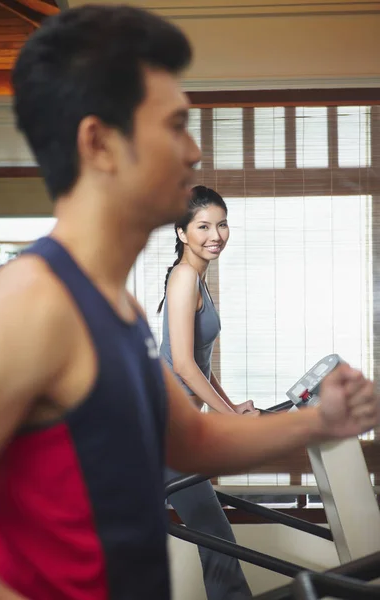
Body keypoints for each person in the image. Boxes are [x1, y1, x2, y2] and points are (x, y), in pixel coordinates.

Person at [0, 5, 378, 600]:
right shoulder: (29, 303)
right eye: (174, 126)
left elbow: (189, 439)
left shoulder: (119, 310)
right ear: (101, 143)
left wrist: (321, 420)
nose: (193, 152)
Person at [159, 185, 255, 599]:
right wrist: (229, 419)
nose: (215, 234)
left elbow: (199, 363)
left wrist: (230, 405)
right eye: (203, 226)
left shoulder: (197, 279)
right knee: (216, 538)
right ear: (182, 232)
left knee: (215, 538)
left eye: (222, 224)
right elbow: (182, 364)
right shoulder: (184, 278)